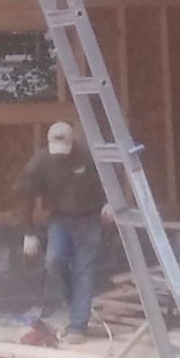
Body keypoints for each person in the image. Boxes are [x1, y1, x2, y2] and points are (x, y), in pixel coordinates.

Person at [14, 120, 111, 340]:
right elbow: (24, 196)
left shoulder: (87, 156)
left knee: (83, 270)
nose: (60, 155)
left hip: (89, 217)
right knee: (54, 262)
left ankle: (78, 326)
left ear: (72, 142)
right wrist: (28, 233)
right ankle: (76, 306)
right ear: (48, 144)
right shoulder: (41, 161)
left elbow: (112, 178)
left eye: (64, 150)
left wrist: (110, 202)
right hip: (60, 218)